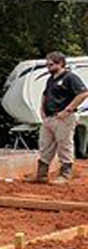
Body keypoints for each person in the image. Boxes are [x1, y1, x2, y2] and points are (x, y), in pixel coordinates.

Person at [36, 51, 88, 183]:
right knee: (45, 145)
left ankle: (65, 174)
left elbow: (83, 93)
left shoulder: (70, 77)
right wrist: (42, 109)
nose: (48, 67)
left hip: (63, 118)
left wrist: (68, 110)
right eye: (47, 65)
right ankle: (41, 174)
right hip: (49, 117)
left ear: (61, 63)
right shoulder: (51, 79)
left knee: (64, 145)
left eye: (51, 64)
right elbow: (45, 94)